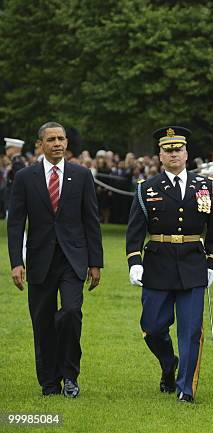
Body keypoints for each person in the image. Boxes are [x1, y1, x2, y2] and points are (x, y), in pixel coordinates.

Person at [125, 126, 213, 403]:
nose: (174, 154)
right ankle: (169, 364)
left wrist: (212, 265)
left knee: (191, 330)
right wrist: (135, 261)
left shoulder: (206, 186)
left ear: (186, 153)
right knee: (152, 327)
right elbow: (134, 231)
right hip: (158, 264)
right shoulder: (147, 189)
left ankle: (185, 388)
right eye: (168, 150)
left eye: (178, 149)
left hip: (193, 265)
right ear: (160, 155)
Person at [7, 121, 103, 397]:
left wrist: (95, 262)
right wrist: (16, 262)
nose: (58, 143)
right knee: (42, 321)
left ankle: (70, 376)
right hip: (39, 260)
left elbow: (91, 221)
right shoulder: (25, 177)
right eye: (51, 139)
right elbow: (15, 224)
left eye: (61, 138)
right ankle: (49, 382)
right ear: (41, 144)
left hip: (73, 259)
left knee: (71, 313)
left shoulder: (82, 175)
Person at [4, 137, 27, 217]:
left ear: (14, 149)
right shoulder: (15, 161)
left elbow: (19, 183)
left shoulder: (17, 162)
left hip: (16, 200)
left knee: (16, 226)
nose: (6, 150)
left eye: (8, 148)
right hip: (14, 199)